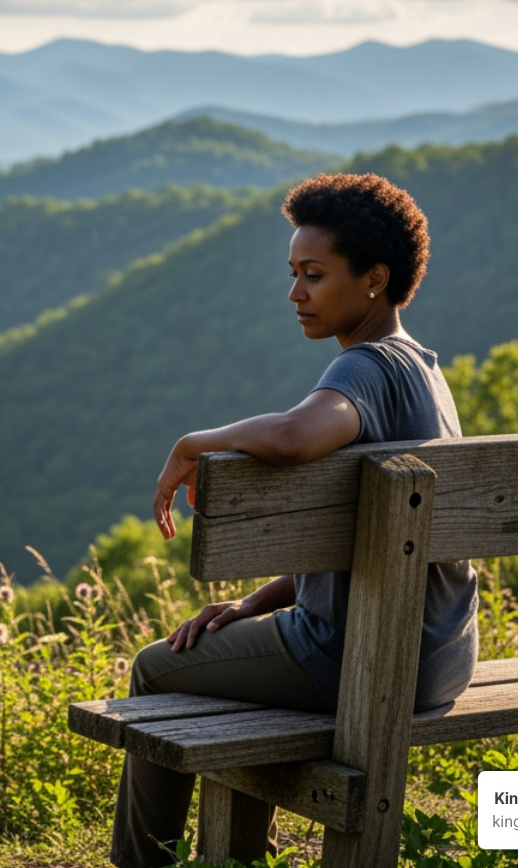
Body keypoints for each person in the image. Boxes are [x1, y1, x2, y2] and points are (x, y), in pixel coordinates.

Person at [110, 172, 479, 868]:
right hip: (440, 655)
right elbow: (374, 546)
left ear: (374, 280)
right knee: (227, 668)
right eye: (293, 273)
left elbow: (292, 437)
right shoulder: (424, 368)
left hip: (362, 660)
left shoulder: (365, 370)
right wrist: (256, 602)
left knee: (157, 670)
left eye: (314, 274)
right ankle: (246, 854)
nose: (295, 294)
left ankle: (140, 861)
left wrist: (194, 443)